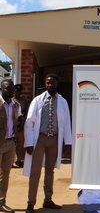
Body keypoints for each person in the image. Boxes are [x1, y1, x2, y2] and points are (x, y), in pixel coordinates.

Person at [23, 73, 72, 213]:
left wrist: (67, 143)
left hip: (54, 139)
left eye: (52, 83)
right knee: (35, 171)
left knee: (50, 171)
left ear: (57, 84)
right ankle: (31, 202)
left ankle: (48, 200)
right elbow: (29, 122)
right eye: (47, 83)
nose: (50, 85)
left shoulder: (62, 102)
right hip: (39, 139)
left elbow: (67, 123)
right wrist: (28, 142)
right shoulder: (37, 100)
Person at [0, 79, 23, 213]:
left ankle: (2, 202)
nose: (11, 91)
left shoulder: (16, 105)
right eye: (7, 89)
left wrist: (21, 121)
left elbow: (18, 120)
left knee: (5, 174)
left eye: (12, 89)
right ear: (1, 89)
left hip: (10, 143)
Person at [14, 84, 28, 168]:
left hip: (21, 123)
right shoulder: (11, 100)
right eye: (16, 91)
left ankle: (19, 160)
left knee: (20, 143)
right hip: (12, 123)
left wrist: (23, 122)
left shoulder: (24, 101)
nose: (17, 93)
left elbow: (26, 112)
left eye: (19, 91)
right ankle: (11, 161)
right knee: (11, 143)